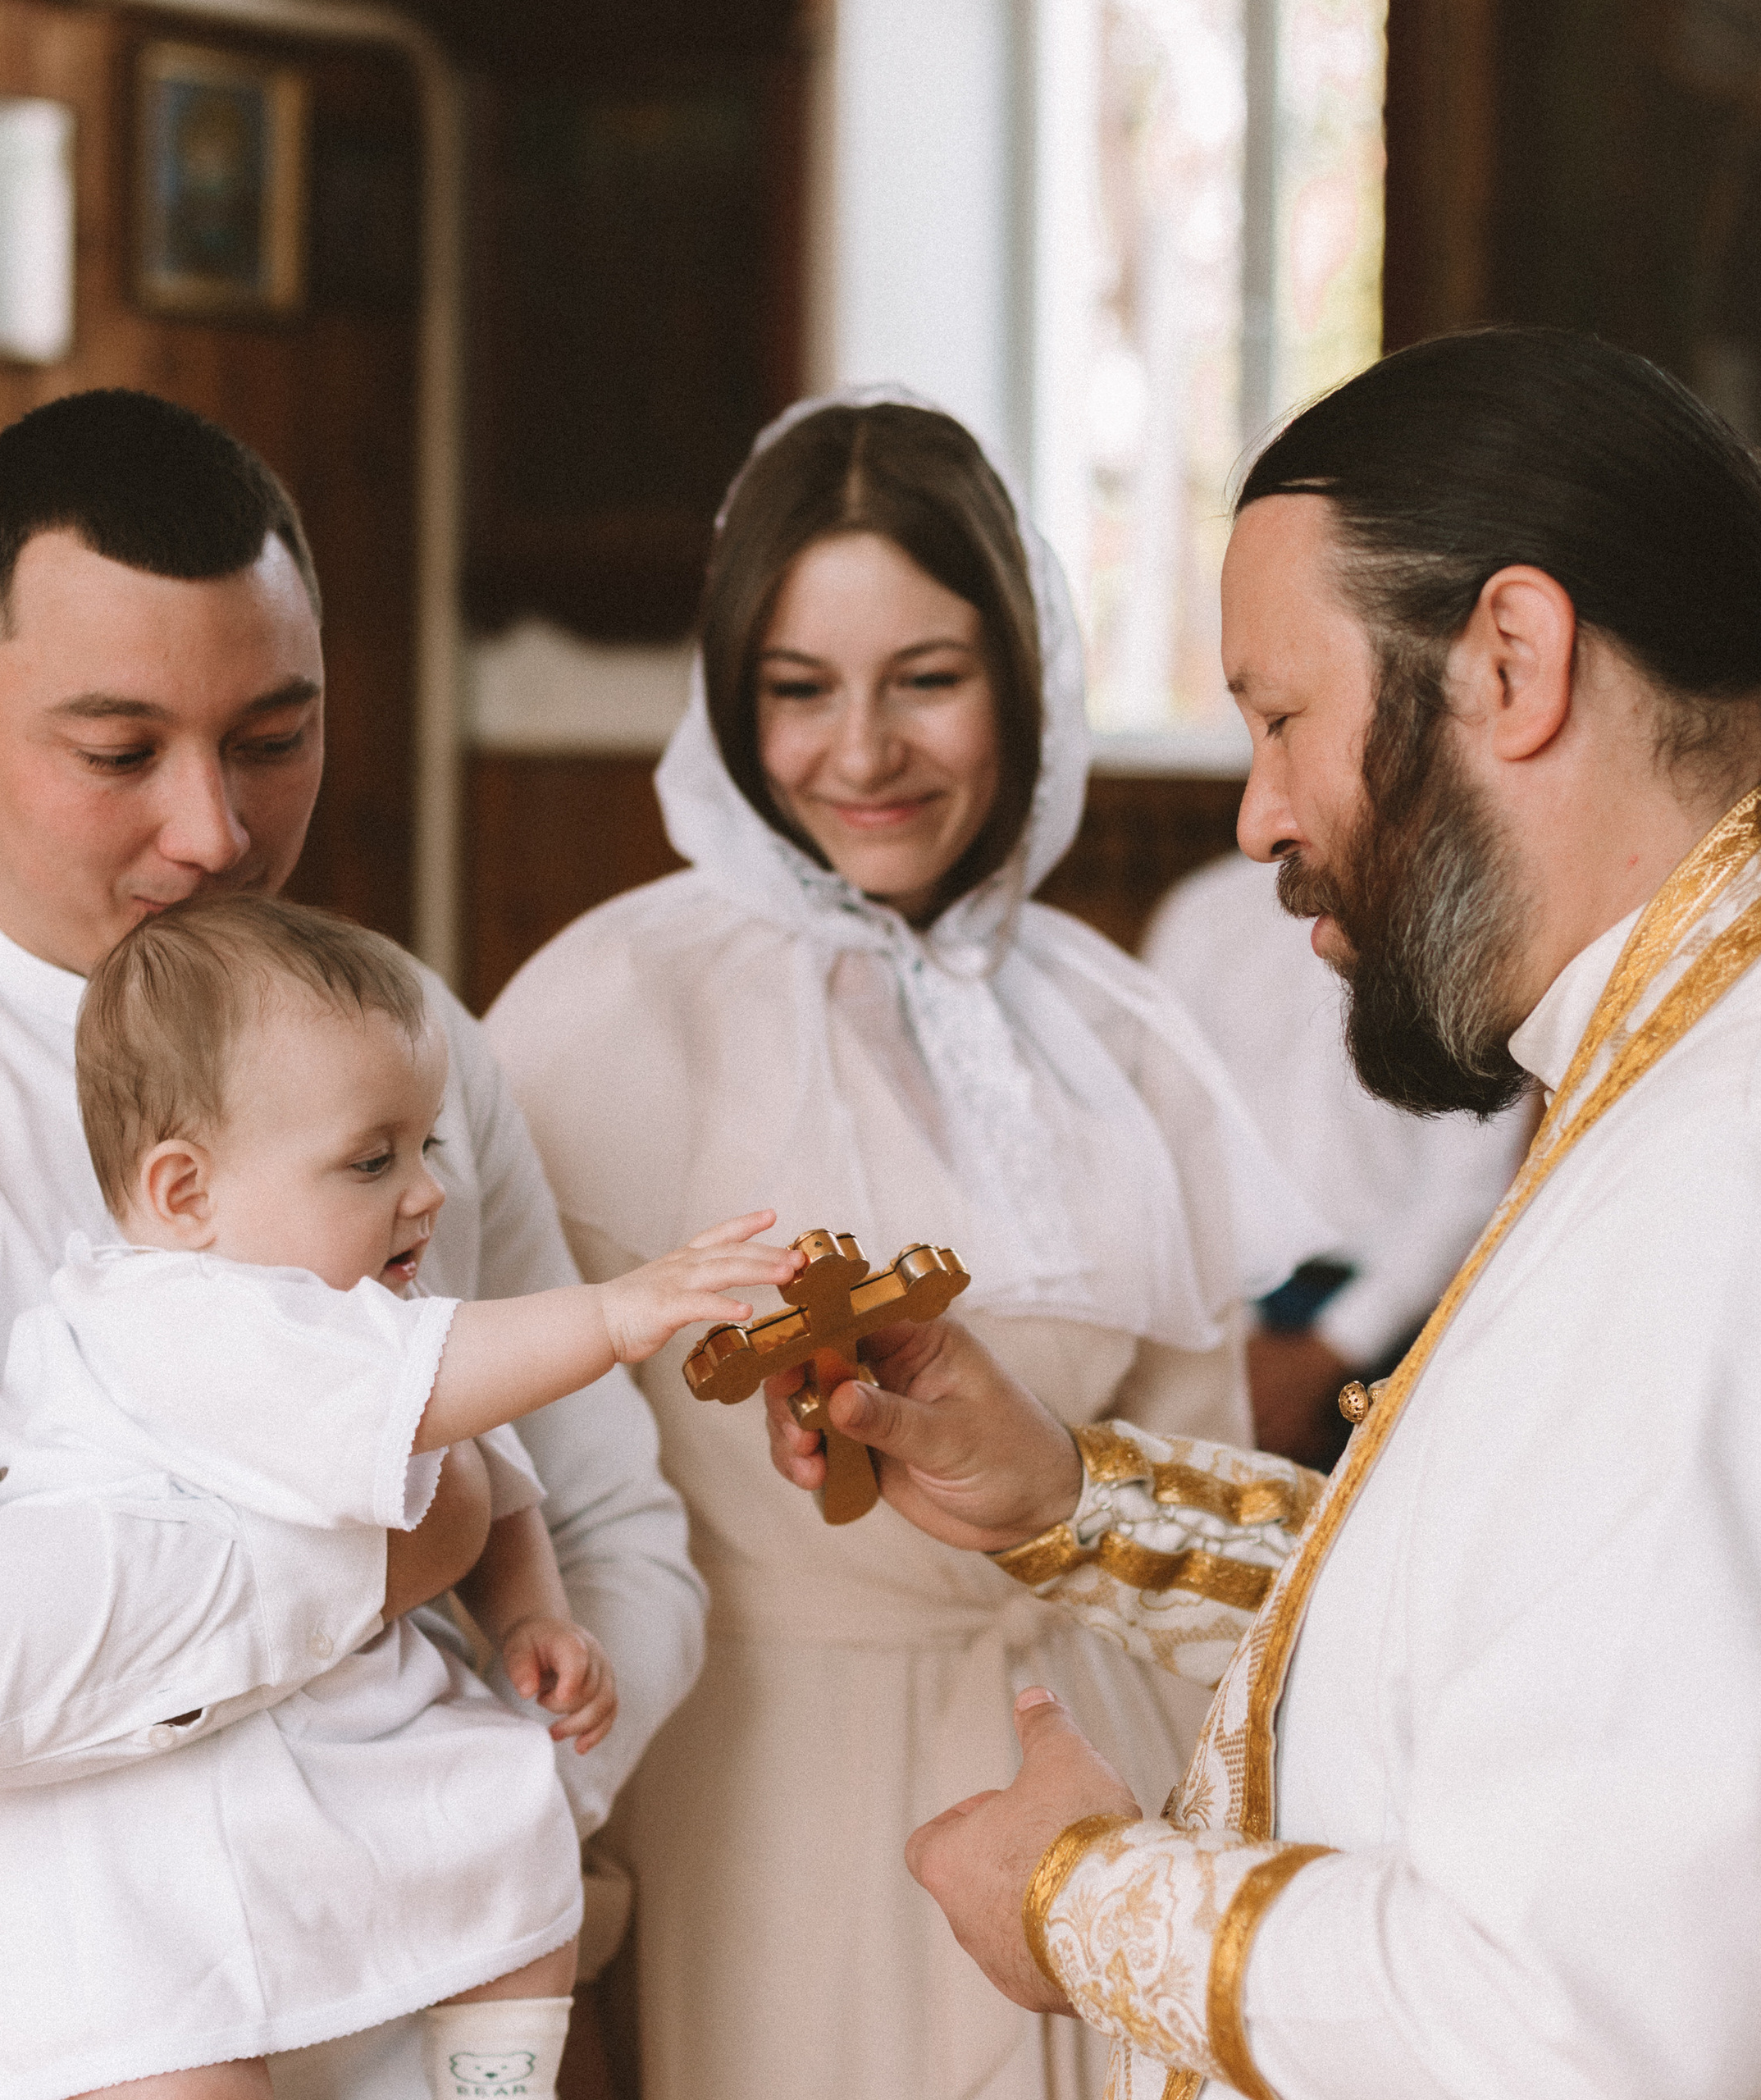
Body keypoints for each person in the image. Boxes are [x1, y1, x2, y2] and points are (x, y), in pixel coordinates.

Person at [763, 331, 1761, 2099]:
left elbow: (1575, 2030)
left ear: (1510, 660)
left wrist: (1076, 1901)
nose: (1255, 812)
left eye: (1278, 716)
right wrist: (1072, 1499)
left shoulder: (1747, 1175)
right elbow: (1539, 1629)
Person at [0, 390, 705, 2100]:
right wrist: (384, 1556)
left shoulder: (401, 1037)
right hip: (35, 2035)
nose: (215, 833)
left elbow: (615, 1516)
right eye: (119, 752)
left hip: (426, 2003)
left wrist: (490, 1810)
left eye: (273, 736)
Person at [484, 391, 1325, 2100]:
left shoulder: (1118, 1029)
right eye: (798, 689)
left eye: (924, 679)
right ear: (731, 701)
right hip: (766, 1777)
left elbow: (1207, 1458)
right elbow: (519, 1481)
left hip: (1099, 1759)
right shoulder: (594, 1012)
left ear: (1023, 678)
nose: (858, 751)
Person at [0, 893, 795, 2100]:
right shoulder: (176, 1315)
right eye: (372, 1160)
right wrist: (618, 1315)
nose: (426, 1195)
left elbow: (496, 1474)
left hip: (313, 1750)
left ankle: (491, 2082)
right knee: (169, 2044)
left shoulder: (368, 1330)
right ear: (185, 1193)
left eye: (428, 1148)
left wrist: (532, 1615)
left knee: (516, 1844)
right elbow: (449, 1392)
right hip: (140, 1822)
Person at [1143, 856, 1530, 1466]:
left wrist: (1334, 1350)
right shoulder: (1202, 913)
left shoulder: (1462, 916)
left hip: (1406, 1326)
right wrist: (1237, 1341)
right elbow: (1169, 1146)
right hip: (1222, 1316)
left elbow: (1472, 1183)